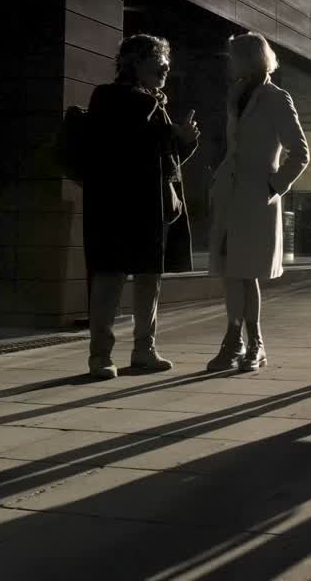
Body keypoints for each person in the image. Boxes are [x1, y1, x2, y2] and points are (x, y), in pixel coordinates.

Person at [83, 34, 199, 380]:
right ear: (134, 62)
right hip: (116, 205)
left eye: (166, 61)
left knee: (150, 277)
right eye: (157, 60)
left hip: (153, 206)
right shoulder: (110, 96)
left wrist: (184, 141)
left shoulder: (154, 101)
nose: (165, 67)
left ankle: (144, 350)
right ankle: (100, 355)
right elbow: (125, 137)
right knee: (110, 276)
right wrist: (165, 123)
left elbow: (165, 159)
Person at [206, 33, 309, 372]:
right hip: (230, 194)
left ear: (251, 58)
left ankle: (252, 343)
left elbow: (300, 153)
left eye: (234, 56)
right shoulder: (235, 94)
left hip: (255, 197)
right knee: (230, 272)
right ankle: (237, 341)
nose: (229, 62)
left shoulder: (276, 98)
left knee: (245, 272)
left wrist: (272, 187)